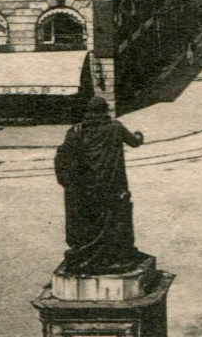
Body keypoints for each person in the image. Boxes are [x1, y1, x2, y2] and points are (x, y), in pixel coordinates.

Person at [53, 96, 147, 275]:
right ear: (105, 110)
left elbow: (64, 156)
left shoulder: (75, 131)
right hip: (111, 186)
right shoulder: (115, 128)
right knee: (114, 219)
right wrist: (139, 135)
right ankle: (112, 256)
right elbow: (134, 142)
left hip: (86, 188)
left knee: (90, 220)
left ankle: (88, 254)